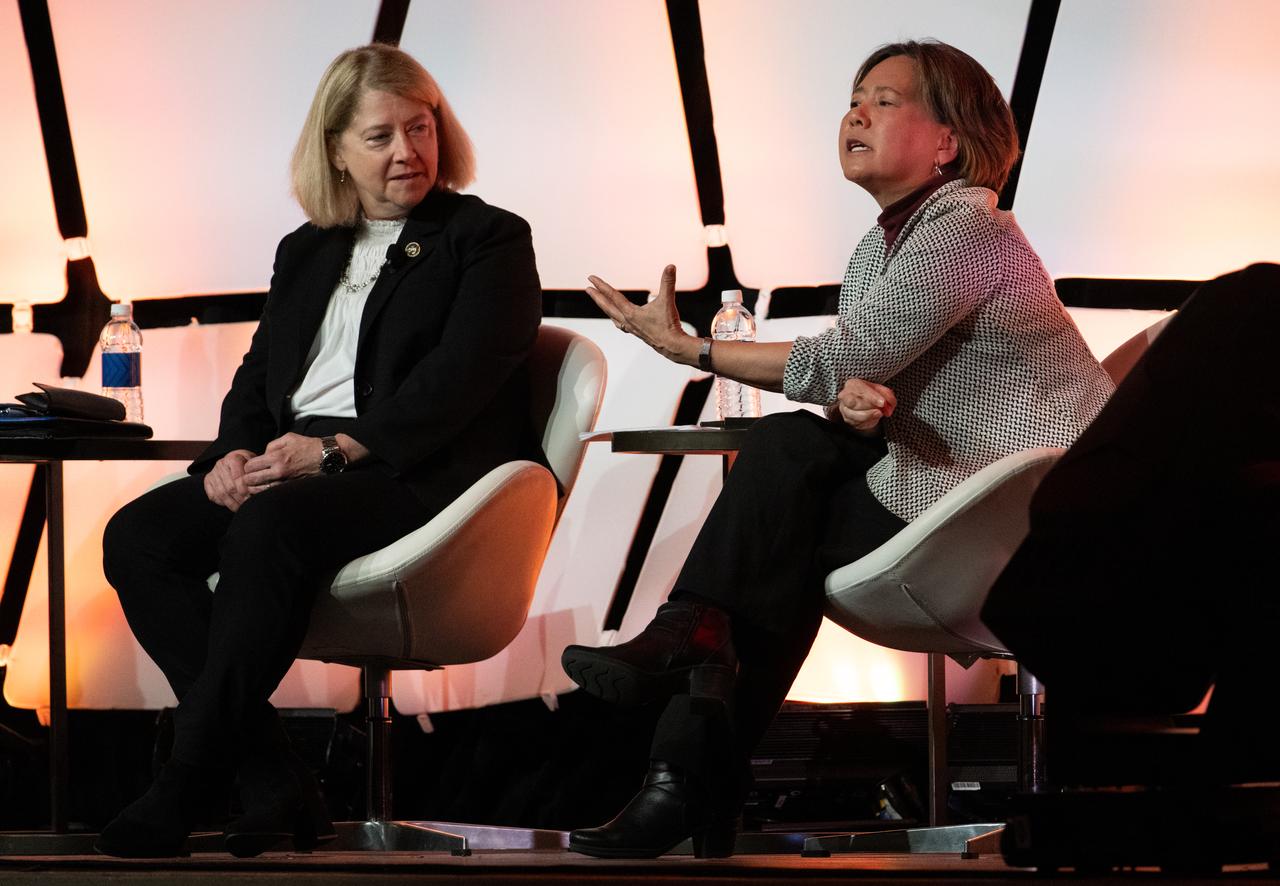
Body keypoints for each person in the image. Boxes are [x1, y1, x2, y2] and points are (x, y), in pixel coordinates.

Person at [561, 39, 1114, 858]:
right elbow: (862, 379)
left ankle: (688, 748)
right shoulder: (878, 248)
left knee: (779, 501)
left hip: (1034, 521)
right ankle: (691, 729)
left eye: (885, 101)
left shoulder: (971, 227)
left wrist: (691, 349)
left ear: (947, 143)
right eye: (854, 99)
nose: (856, 114)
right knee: (784, 495)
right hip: (948, 491)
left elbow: (838, 359)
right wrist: (859, 412)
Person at [98, 43, 542, 858]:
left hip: (413, 472)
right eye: (380, 136)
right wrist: (230, 457)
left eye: (420, 128)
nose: (407, 151)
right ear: (335, 149)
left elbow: (457, 383)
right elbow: (261, 372)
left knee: (269, 529)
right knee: (139, 536)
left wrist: (336, 450)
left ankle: (191, 775)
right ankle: (270, 773)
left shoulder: (487, 239)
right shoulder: (306, 249)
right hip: (297, 462)